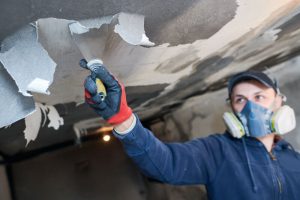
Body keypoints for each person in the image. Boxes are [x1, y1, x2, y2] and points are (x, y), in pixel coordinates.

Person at [81, 59, 299, 200]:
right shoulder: (217, 151)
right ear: (232, 109)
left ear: (278, 102)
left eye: (259, 97)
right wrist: (124, 120)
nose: (250, 107)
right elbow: (166, 164)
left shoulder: (294, 158)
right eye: (240, 99)